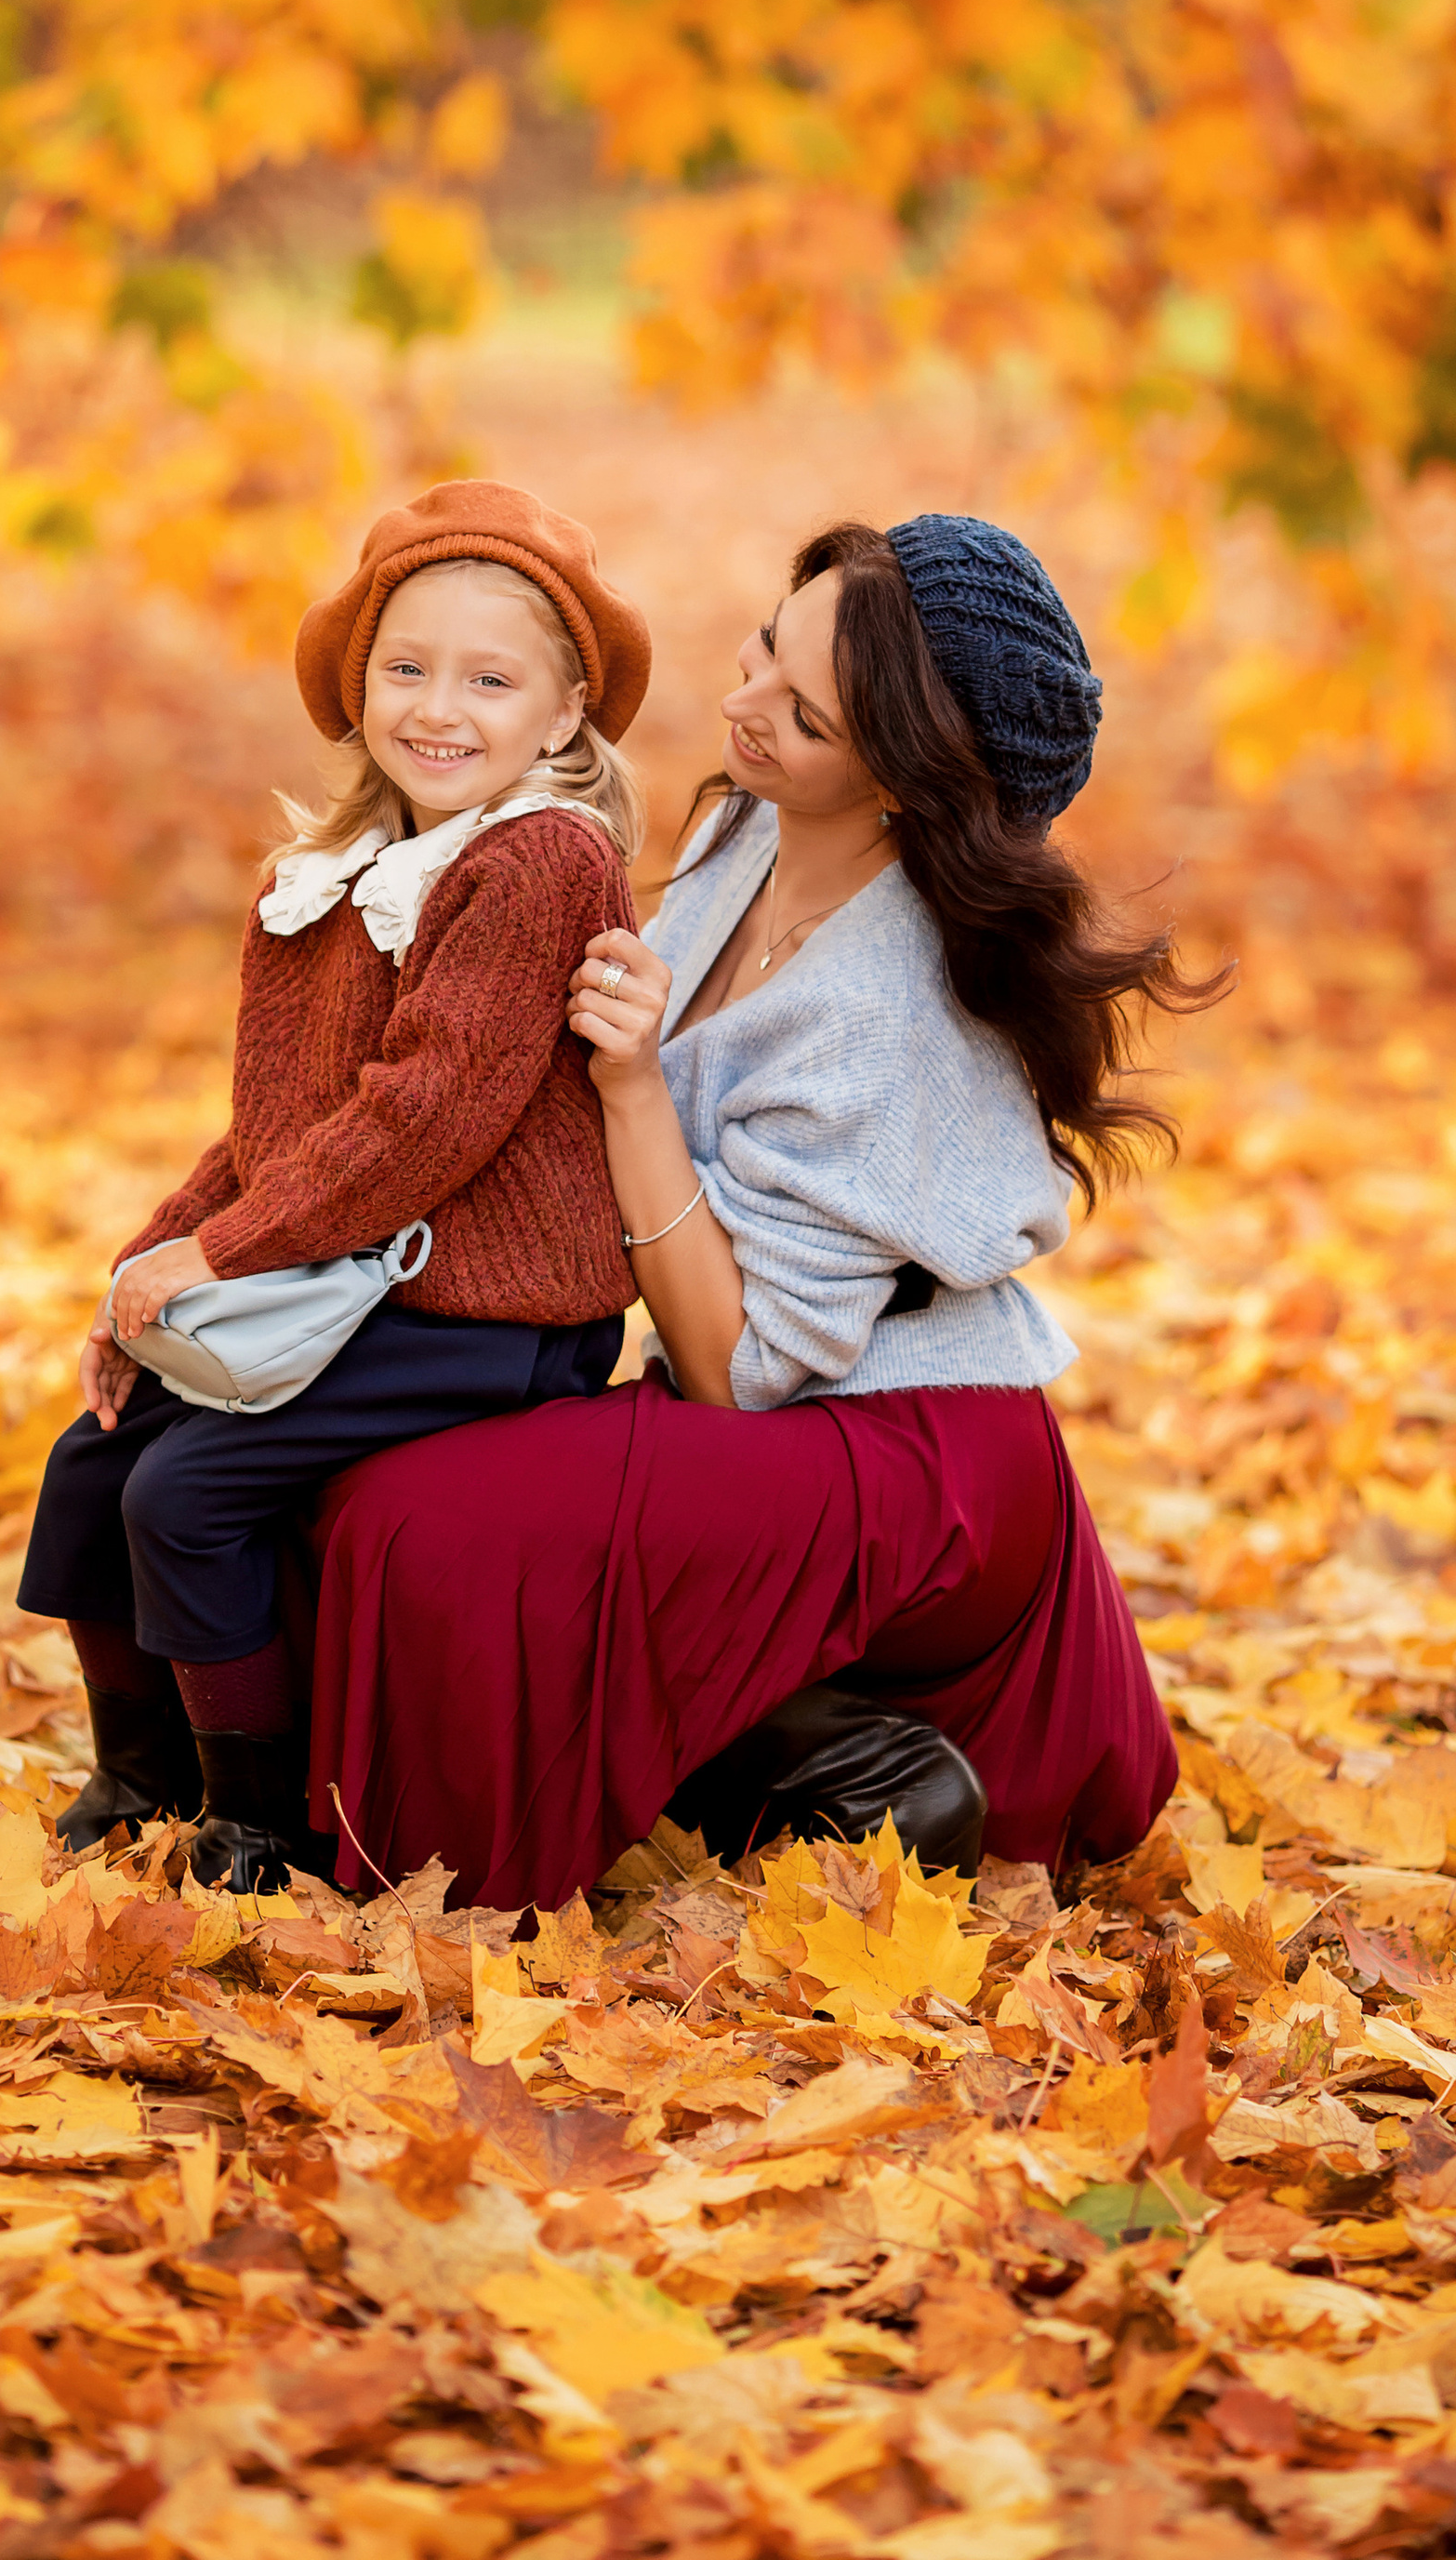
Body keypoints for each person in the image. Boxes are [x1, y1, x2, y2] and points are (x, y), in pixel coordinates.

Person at [298, 513, 1220, 1910]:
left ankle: (790, 1780)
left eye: (802, 716)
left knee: (423, 1528)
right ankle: (800, 1753)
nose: (739, 706)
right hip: (783, 1401)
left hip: (895, 1449)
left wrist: (631, 1094)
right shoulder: (753, 829)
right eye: (763, 652)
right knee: (330, 1457)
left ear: (905, 779)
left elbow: (735, 1370)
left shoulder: (893, 1008)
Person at [18, 480, 651, 1889]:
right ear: (358, 686)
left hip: (485, 1314)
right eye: (406, 668)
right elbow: (274, 1123)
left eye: (491, 679)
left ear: (561, 716)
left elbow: (425, 1115)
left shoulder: (540, 859)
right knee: (92, 1465)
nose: (441, 707)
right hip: (349, 1269)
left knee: (186, 1491)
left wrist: (227, 1257)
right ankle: (142, 1773)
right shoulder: (332, 873)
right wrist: (149, 1266)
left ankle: (267, 1817)